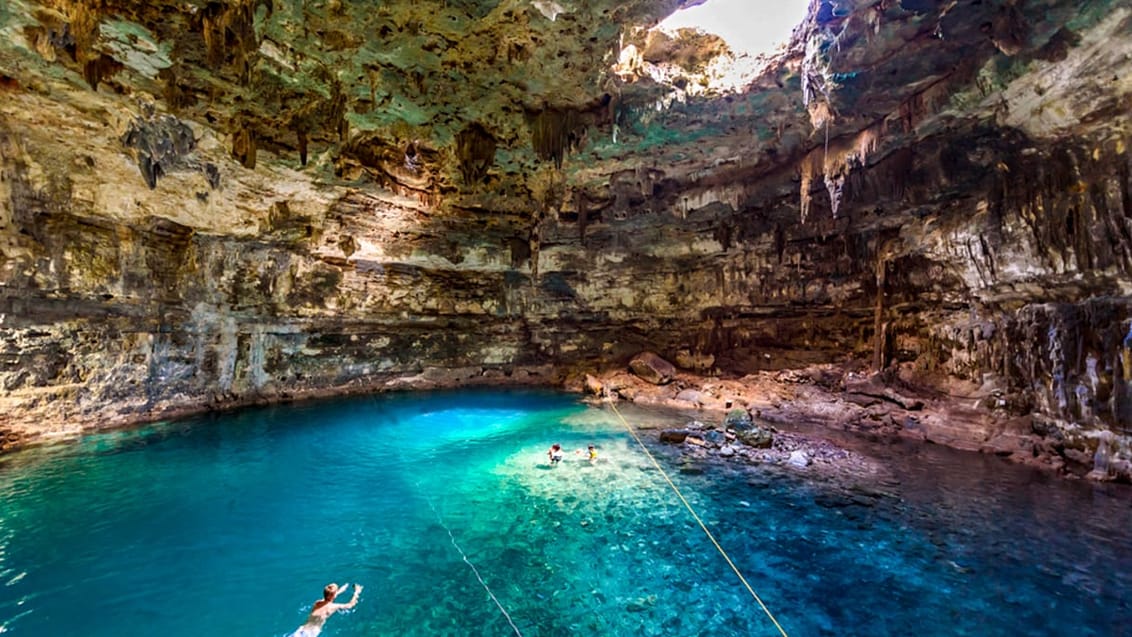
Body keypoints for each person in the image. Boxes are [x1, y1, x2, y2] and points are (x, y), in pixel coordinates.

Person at [290, 582, 363, 637]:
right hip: (311, 634)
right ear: (333, 595)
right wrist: (357, 592)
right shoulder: (333, 607)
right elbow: (350, 605)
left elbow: (328, 599)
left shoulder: (317, 603)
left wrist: (340, 590)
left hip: (301, 630)